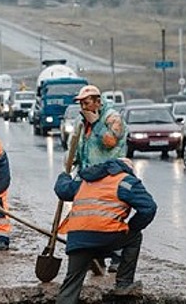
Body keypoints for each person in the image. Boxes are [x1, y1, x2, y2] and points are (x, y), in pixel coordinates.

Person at [54, 158, 157, 303]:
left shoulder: (85, 179)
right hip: (107, 237)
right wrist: (132, 227)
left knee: (71, 284)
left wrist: (63, 176)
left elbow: (63, 191)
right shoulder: (126, 181)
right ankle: (123, 284)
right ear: (127, 169)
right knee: (135, 237)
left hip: (78, 239)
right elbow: (149, 208)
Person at [71, 84, 128, 272]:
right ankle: (96, 257)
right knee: (90, 217)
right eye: (81, 104)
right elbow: (79, 146)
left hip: (110, 174)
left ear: (97, 101)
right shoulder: (84, 121)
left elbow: (110, 142)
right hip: (89, 175)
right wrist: (72, 164)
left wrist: (96, 124)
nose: (83, 108)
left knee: (110, 217)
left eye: (86, 103)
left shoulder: (112, 118)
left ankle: (117, 257)